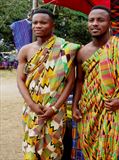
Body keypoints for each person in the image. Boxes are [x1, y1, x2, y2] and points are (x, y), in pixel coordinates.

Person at [72, 5, 119, 159]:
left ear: (110, 23)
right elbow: (79, 81)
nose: (95, 23)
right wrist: (75, 105)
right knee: (88, 148)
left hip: (113, 109)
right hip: (88, 109)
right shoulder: (82, 52)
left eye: (100, 20)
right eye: (91, 20)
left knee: (109, 151)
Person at [17, 8, 80, 159]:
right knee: (30, 147)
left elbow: (70, 82)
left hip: (55, 111)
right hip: (31, 109)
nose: (38, 25)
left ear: (53, 25)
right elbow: (20, 79)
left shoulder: (66, 49)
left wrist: (54, 108)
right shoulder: (25, 50)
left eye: (43, 23)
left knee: (53, 149)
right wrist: (31, 105)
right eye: (35, 22)